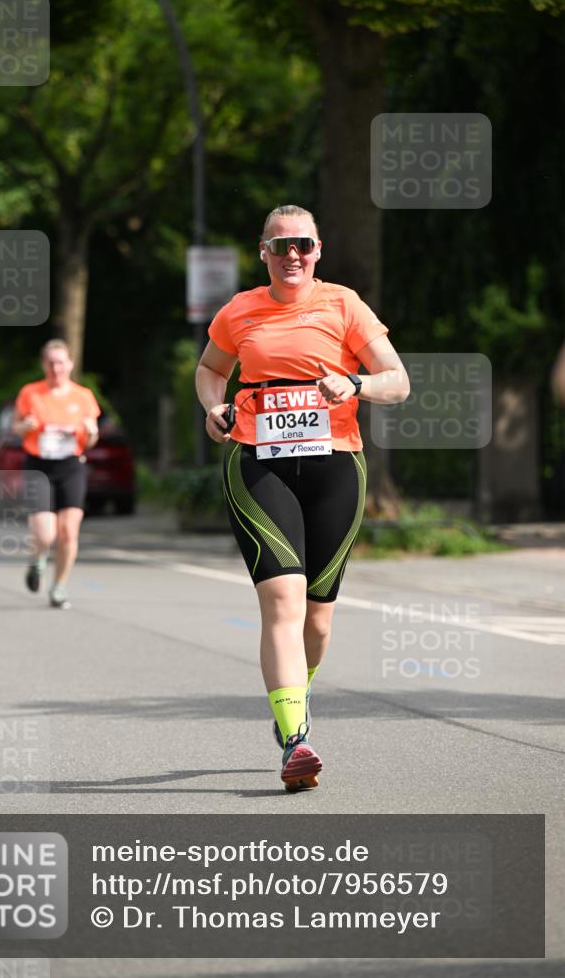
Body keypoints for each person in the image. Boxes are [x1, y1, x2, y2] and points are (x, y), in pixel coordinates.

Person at [195, 205, 409, 791]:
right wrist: (214, 407)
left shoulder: (344, 304)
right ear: (263, 252)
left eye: (304, 246)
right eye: (281, 246)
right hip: (258, 463)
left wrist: (356, 382)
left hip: (336, 465)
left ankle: (298, 690)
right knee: (283, 600)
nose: (293, 255)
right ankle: (295, 740)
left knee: (317, 617)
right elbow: (211, 370)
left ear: (319, 251)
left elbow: (398, 380)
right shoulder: (239, 310)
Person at [12, 339, 100, 610]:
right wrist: (23, 426)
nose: (56, 368)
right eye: (51, 363)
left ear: (70, 364)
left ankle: (59, 586)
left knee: (68, 534)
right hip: (39, 466)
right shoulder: (31, 393)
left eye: (60, 362)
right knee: (45, 535)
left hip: (71, 465)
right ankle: (37, 559)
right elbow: (15, 427)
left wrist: (91, 430)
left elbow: (92, 439)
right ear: (44, 365)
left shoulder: (83, 396)